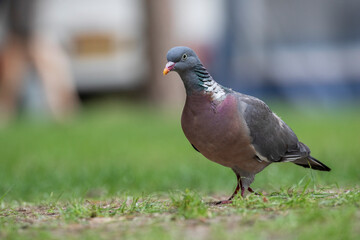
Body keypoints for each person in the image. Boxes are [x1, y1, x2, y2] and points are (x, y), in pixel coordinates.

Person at [0, 0, 79, 124]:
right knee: (9, 83)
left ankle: (65, 116)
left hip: (36, 34)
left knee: (55, 78)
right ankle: (4, 118)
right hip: (19, 35)